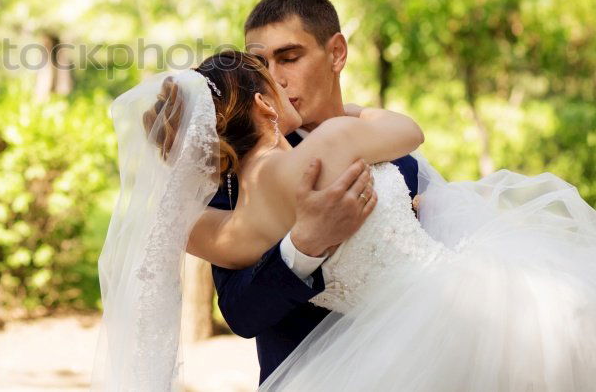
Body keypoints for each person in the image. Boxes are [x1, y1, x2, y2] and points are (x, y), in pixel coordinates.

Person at [93, 51, 596, 391]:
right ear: (265, 103)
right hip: (473, 311)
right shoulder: (331, 142)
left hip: (378, 359)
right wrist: (352, 112)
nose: (285, 85)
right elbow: (409, 130)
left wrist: (187, 162)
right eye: (274, 79)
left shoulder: (227, 229)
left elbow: (165, 222)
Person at [187, 0, 425, 383]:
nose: (276, 77)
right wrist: (303, 247)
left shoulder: (401, 160)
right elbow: (241, 314)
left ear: (336, 54)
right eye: (261, 64)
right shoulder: (230, 183)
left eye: (289, 57)